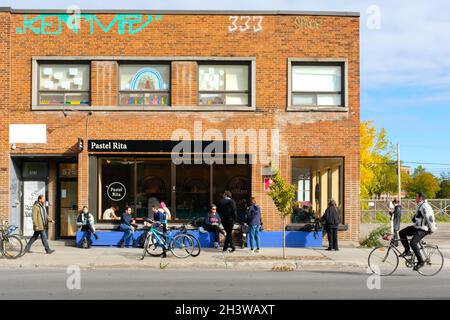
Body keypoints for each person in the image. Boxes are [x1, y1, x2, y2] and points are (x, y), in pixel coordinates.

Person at [399, 192, 437, 271]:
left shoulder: (425, 206)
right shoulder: (420, 205)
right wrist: (415, 218)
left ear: (420, 198)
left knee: (413, 243)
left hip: (423, 229)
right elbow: (419, 215)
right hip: (417, 227)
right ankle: (407, 251)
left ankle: (421, 261)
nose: (415, 198)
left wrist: (432, 229)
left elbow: (430, 218)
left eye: (416, 197)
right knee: (401, 232)